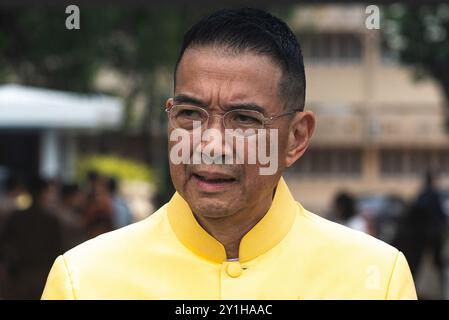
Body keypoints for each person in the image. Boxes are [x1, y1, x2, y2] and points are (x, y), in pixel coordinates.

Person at [42, 8, 416, 299]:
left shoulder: (375, 278)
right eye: (190, 114)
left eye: (244, 119)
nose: (211, 144)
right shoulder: (84, 280)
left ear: (296, 137)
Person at [1, 176, 63, 299]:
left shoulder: (16, 217)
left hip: (20, 274)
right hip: (43, 274)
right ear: (44, 192)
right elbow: (57, 248)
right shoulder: (51, 219)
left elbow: (5, 245)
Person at [394, 171, 447, 298]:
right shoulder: (433, 195)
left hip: (418, 238)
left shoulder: (421, 195)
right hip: (429, 237)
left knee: (418, 266)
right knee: (434, 265)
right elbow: (439, 216)